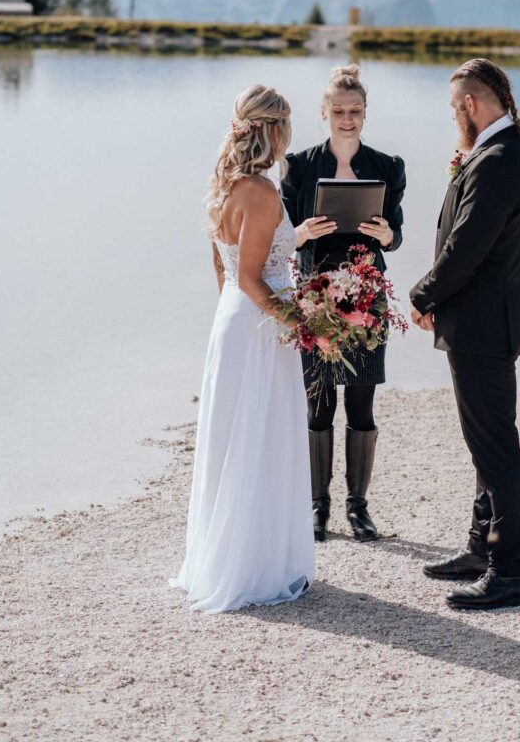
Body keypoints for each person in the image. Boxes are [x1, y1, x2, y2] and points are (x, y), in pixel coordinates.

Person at [170, 85, 315, 612]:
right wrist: (302, 323)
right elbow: (257, 279)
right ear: (274, 131)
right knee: (261, 439)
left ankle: (229, 555)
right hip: (259, 325)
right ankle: (257, 568)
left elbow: (226, 270)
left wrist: (235, 321)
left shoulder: (224, 186)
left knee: (236, 438)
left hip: (232, 321)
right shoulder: (262, 192)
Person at [410, 58, 520, 610]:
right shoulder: (498, 153)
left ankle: (510, 572)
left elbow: (467, 247)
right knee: (483, 444)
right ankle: (481, 548)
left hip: (484, 325)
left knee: (497, 450)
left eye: (453, 109)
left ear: (471, 105)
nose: (452, 119)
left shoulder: (499, 160)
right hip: (485, 321)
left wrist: (423, 294)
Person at [281, 64, 406, 543]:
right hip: (315, 295)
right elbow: (282, 239)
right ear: (324, 113)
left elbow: (395, 233)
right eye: (338, 111)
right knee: (318, 403)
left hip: (368, 292)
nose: (347, 119)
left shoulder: (388, 167)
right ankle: (318, 506)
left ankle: (358, 508)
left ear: (365, 112)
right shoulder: (299, 166)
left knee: (362, 401)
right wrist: (302, 233)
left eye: (354, 111)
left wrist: (388, 234)